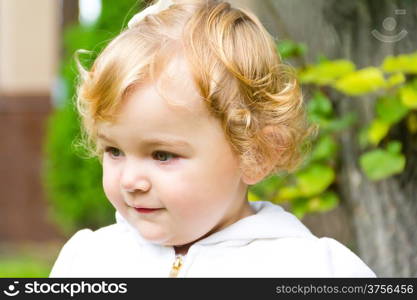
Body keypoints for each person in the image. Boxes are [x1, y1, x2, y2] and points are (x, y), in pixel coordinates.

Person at [50, 0, 376, 277]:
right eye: (115, 150)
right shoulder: (89, 262)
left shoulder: (312, 269)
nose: (131, 180)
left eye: (162, 155)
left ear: (256, 153)